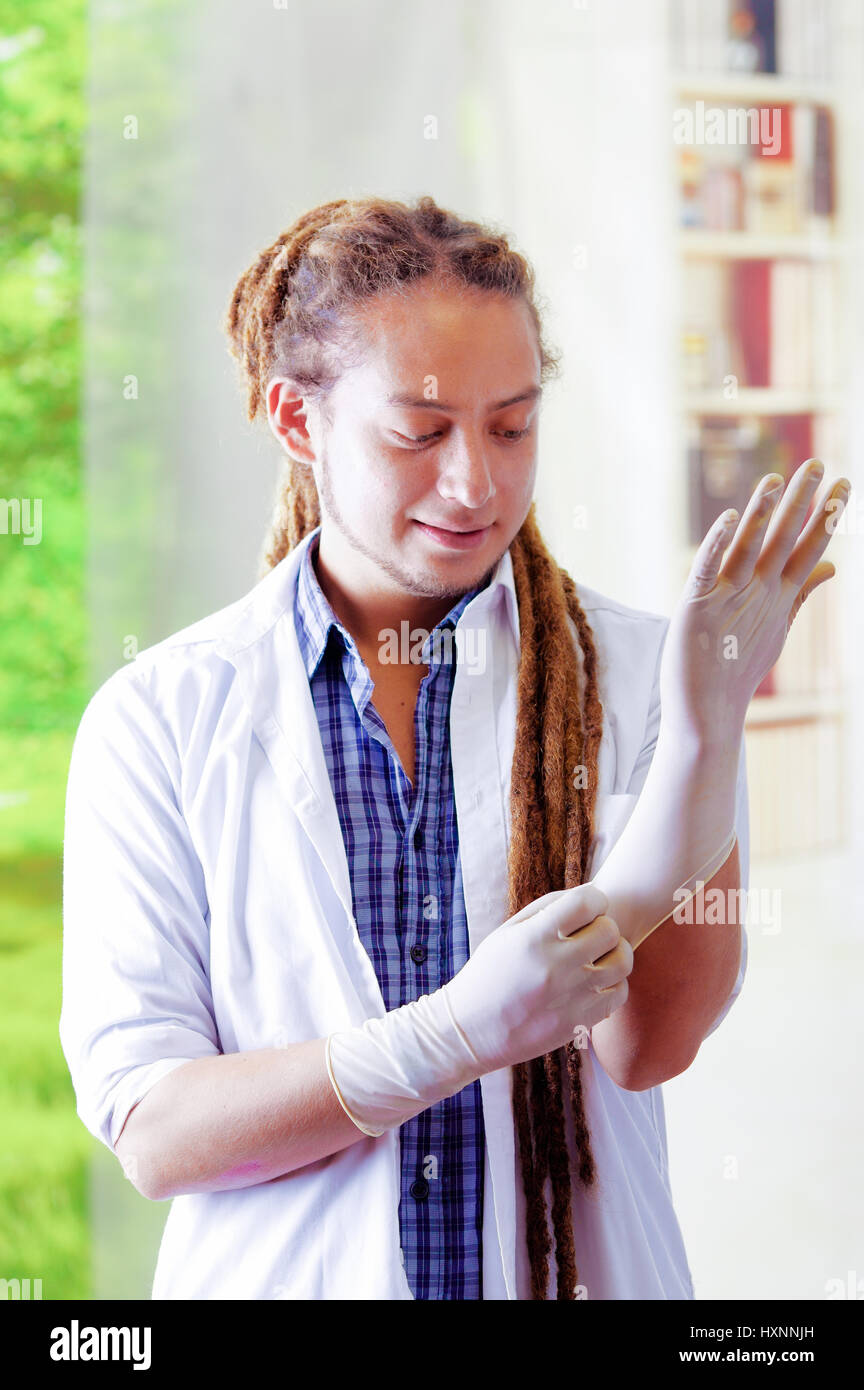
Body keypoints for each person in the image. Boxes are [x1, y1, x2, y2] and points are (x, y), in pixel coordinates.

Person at [60, 195, 848, 1301]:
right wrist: (457, 1033)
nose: (477, 482)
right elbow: (156, 1131)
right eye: (419, 432)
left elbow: (648, 1045)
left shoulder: (639, 676)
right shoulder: (161, 718)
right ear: (297, 420)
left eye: (512, 425)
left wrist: (709, 734)